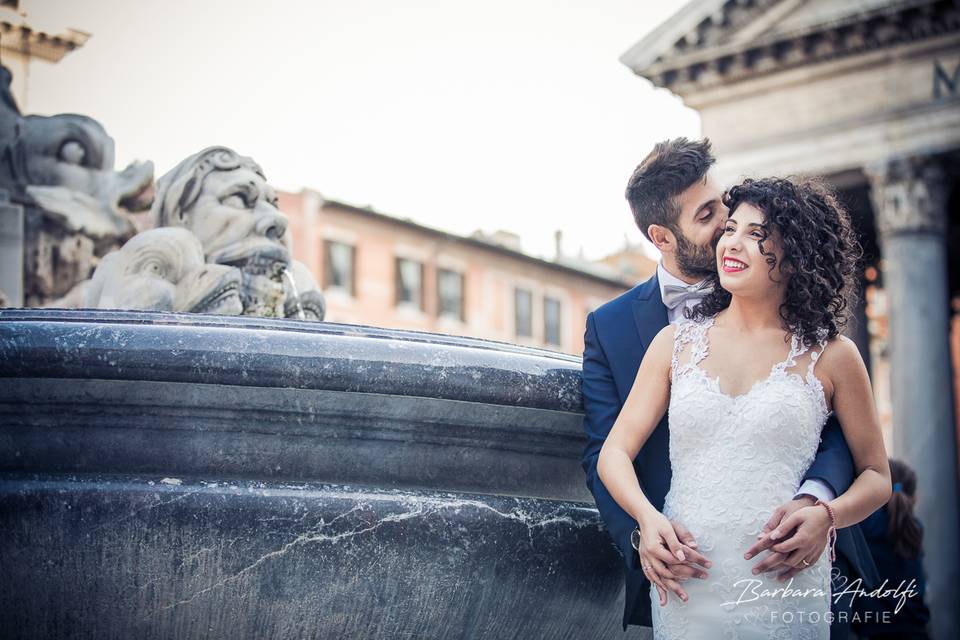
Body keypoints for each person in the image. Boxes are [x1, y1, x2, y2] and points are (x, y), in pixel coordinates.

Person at [580, 138, 882, 637]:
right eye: (718, 220)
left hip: (788, 571)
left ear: (793, 257)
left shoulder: (834, 354)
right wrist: (645, 527)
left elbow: (869, 465)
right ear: (662, 236)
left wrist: (825, 512)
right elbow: (608, 450)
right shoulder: (665, 341)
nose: (727, 233)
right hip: (687, 574)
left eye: (750, 229)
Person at [851, 458, 931, 639]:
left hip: (874, 630)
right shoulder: (915, 526)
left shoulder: (863, 525)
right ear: (913, 497)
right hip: (916, 629)